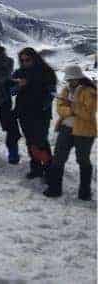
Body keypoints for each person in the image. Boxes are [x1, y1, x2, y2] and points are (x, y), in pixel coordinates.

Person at [45, 65, 96, 200]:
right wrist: (72, 110)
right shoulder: (66, 90)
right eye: (69, 79)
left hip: (84, 132)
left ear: (78, 78)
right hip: (66, 128)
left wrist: (72, 106)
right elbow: (60, 109)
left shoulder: (90, 92)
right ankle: (54, 189)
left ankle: (85, 192)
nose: (70, 82)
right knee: (58, 158)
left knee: (83, 160)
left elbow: (88, 114)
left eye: (72, 79)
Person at [11, 47, 57, 180]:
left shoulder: (46, 72)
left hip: (40, 114)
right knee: (30, 142)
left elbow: (51, 93)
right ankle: (36, 167)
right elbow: (11, 91)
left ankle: (49, 169)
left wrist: (43, 107)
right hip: (23, 113)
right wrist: (19, 86)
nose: (25, 62)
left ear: (35, 58)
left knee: (41, 142)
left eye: (28, 59)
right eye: (22, 60)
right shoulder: (19, 72)